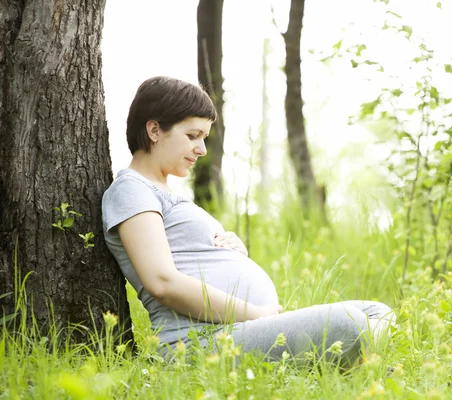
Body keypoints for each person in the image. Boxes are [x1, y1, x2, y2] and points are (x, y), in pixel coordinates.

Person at [102, 76, 395, 366]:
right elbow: (163, 282)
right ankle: (353, 360)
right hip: (198, 341)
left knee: (378, 312)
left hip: (235, 329)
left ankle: (346, 360)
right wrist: (259, 314)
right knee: (351, 325)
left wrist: (232, 252)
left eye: (204, 138)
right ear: (154, 130)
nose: (202, 149)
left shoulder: (163, 190)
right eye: (192, 136)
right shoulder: (132, 189)